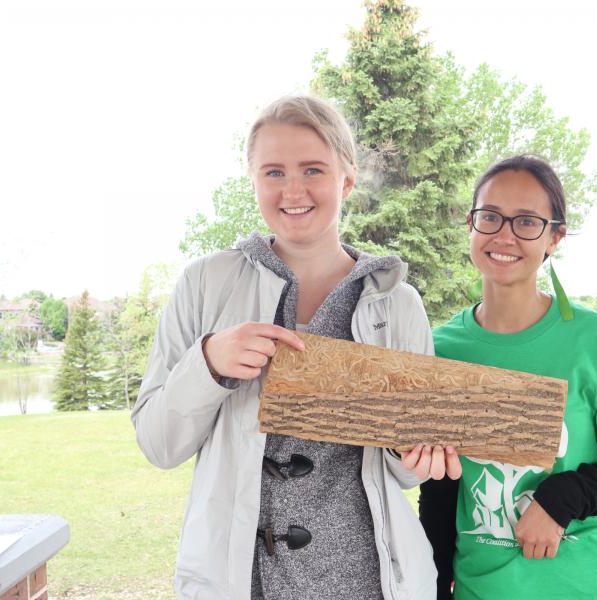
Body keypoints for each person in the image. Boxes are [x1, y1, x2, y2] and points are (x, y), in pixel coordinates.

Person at [131, 95, 458, 600]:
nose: (293, 190)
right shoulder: (204, 283)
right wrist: (209, 364)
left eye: (313, 169)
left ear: (346, 180)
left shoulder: (398, 303)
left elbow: (404, 474)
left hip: (366, 580)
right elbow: (159, 445)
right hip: (242, 581)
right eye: (274, 172)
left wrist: (415, 450)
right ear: (254, 181)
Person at [419, 155, 597, 599]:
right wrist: (435, 587)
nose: (504, 235)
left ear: (554, 237)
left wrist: (559, 499)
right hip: (483, 586)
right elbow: (440, 490)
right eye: (490, 217)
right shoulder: (440, 349)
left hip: (589, 582)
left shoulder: (596, 338)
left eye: (527, 222)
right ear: (470, 225)